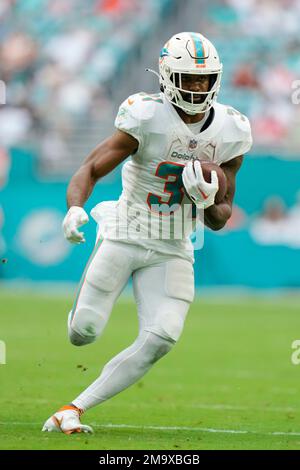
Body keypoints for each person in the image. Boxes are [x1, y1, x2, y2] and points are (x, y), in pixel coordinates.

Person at [42, 32, 252, 434]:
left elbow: (221, 219)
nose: (196, 87)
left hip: (174, 245)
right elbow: (90, 167)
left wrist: (207, 199)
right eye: (188, 79)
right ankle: (82, 313)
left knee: (162, 337)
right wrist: (74, 207)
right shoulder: (145, 115)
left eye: (203, 79)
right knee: (82, 333)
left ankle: (73, 409)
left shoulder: (231, 130)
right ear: (167, 77)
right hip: (124, 232)